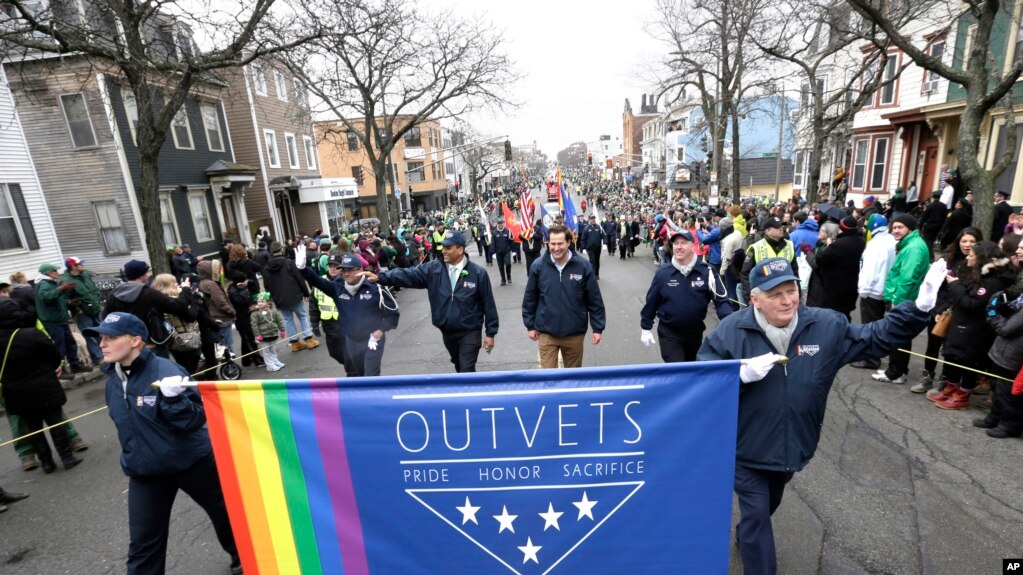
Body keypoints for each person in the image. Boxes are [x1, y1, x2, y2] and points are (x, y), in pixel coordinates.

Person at [697, 257, 940, 575]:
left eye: (791, 290)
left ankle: (748, 534)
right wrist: (737, 375)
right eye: (775, 294)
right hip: (742, 447)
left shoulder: (826, 326)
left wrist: (918, 309)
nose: (787, 300)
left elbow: (874, 337)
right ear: (754, 298)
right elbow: (701, 383)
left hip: (792, 447)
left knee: (767, 506)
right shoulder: (730, 332)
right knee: (757, 514)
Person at [85, 312, 241, 575]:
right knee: (143, 544)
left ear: (135, 341)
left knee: (225, 513)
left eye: (111, 338)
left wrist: (173, 400)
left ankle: (243, 555)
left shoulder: (166, 371)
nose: (102, 344)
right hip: (144, 471)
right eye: (101, 338)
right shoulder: (113, 376)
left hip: (190, 462)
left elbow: (193, 421)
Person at [364, 230, 498, 373]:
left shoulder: (478, 273)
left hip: (470, 330)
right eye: (442, 247)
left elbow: (488, 304)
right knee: (459, 365)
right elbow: (408, 275)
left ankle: (467, 393)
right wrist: (381, 277)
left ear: (460, 250)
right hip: (447, 331)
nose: (443, 251)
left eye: (448, 248)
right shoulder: (433, 269)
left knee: (466, 368)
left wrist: (490, 334)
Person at [930, 241, 1014, 410]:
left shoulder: (992, 283)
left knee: (967, 361)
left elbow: (971, 303)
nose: (968, 256)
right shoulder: (974, 275)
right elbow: (958, 297)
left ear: (981, 259)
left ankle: (962, 395)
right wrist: (942, 308)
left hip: (974, 330)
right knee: (953, 356)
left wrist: (955, 284)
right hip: (960, 325)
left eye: (972, 255)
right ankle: (950, 387)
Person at [0, 310, 83, 474]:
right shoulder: (32, 334)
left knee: (33, 428)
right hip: (44, 386)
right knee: (55, 423)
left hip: (16, 393)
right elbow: (53, 355)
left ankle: (47, 463)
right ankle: (67, 457)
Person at [298, 250, 399, 377]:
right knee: (359, 374)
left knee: (371, 376)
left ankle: (373, 395)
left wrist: (381, 330)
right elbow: (318, 281)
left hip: (373, 339)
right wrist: (303, 269)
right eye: (344, 270)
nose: (346, 274)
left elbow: (393, 314)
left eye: (350, 270)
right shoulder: (337, 287)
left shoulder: (375, 287)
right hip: (352, 341)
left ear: (361, 269)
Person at [522, 225, 606, 369]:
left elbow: (594, 299)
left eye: (560, 243)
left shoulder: (583, 266)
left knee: (572, 380)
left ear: (568, 242)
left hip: (574, 334)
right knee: (549, 380)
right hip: (547, 333)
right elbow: (530, 298)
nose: (556, 248)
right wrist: (530, 325)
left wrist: (597, 328)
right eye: (552, 244)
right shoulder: (538, 266)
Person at [640, 230, 732, 362]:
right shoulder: (663, 273)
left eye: (683, 243)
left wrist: (729, 324)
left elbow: (721, 301)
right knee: (677, 372)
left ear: (692, 245)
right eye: (676, 243)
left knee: (692, 370)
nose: (678, 246)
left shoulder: (707, 272)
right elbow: (652, 302)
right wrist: (646, 327)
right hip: (669, 333)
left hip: (695, 333)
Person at [873, 215, 932, 384]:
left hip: (903, 300)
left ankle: (895, 373)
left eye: (900, 227)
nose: (895, 231)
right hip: (903, 298)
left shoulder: (913, 248)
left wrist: (896, 301)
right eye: (894, 227)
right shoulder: (911, 244)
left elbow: (908, 277)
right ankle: (898, 370)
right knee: (900, 336)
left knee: (898, 336)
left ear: (911, 229)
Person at [103, 260, 198, 358]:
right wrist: (186, 289)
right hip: (152, 345)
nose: (148, 275)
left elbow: (106, 319)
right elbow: (177, 306)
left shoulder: (113, 295)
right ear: (141, 276)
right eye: (147, 272)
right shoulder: (149, 294)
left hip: (127, 346)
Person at [851, 215, 897, 370]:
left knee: (871, 326)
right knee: (880, 325)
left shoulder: (875, 245)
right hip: (887, 290)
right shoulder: (892, 241)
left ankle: (871, 359)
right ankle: (874, 356)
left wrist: (863, 290)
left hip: (873, 290)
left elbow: (869, 270)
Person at [35, 262, 93, 379]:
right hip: (52, 321)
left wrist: (69, 303)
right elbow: (47, 298)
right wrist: (61, 288)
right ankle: (60, 371)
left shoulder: (50, 283)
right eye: (55, 271)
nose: (57, 273)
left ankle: (75, 365)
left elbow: (56, 301)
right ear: (48, 273)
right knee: (59, 346)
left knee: (70, 343)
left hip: (60, 319)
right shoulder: (43, 284)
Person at [261, 241, 320, 353]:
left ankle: (294, 342)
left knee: (288, 319)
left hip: (279, 298)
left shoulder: (266, 268)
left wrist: (270, 299)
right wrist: (306, 292)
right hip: (294, 294)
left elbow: (266, 286)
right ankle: (308, 338)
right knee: (302, 315)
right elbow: (299, 278)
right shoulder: (288, 262)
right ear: (281, 250)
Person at [813, 216, 866, 320]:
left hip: (835, 286)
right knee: (845, 313)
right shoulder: (862, 241)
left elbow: (820, 260)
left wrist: (828, 246)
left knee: (832, 315)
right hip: (853, 284)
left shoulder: (837, 244)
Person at [740, 218, 797, 300]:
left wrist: (797, 293)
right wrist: (749, 297)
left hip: (786, 294)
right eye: (777, 227)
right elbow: (745, 273)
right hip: (765, 295)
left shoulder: (789, 245)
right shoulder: (756, 247)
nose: (781, 228)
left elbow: (795, 271)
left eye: (782, 226)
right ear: (767, 231)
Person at [61, 256, 103, 366]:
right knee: (89, 335)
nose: (83, 265)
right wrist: (77, 309)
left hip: (95, 308)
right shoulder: (66, 281)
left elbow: (94, 290)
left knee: (101, 333)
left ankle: (106, 354)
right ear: (73, 266)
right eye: (80, 263)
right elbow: (65, 299)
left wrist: (98, 302)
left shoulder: (86, 275)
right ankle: (98, 358)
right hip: (83, 313)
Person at [250, 293, 286, 372]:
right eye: (258, 301)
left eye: (262, 301)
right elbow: (254, 325)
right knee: (266, 351)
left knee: (273, 349)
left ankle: (275, 361)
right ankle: (270, 365)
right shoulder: (255, 313)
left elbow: (279, 320)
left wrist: (282, 330)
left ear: (268, 302)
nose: (260, 303)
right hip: (263, 336)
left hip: (272, 334)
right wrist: (257, 335)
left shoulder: (273, 311)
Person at [580, 214, 606, 279]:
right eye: (592, 219)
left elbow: (604, 236)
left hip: (597, 248)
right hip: (590, 248)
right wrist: (583, 248)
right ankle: (593, 275)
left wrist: (605, 243)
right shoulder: (586, 228)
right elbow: (583, 239)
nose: (593, 220)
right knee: (592, 261)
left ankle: (597, 274)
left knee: (597, 261)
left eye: (594, 218)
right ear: (589, 220)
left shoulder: (598, 227)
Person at [492, 218, 514, 285]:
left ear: (503, 223)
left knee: (508, 264)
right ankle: (503, 280)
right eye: (499, 223)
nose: (500, 224)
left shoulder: (508, 231)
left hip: (506, 251)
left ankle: (509, 277)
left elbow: (511, 241)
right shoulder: (494, 232)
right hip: (499, 252)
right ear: (497, 224)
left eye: (501, 223)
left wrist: (514, 251)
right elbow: (493, 243)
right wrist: (493, 253)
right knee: (501, 267)